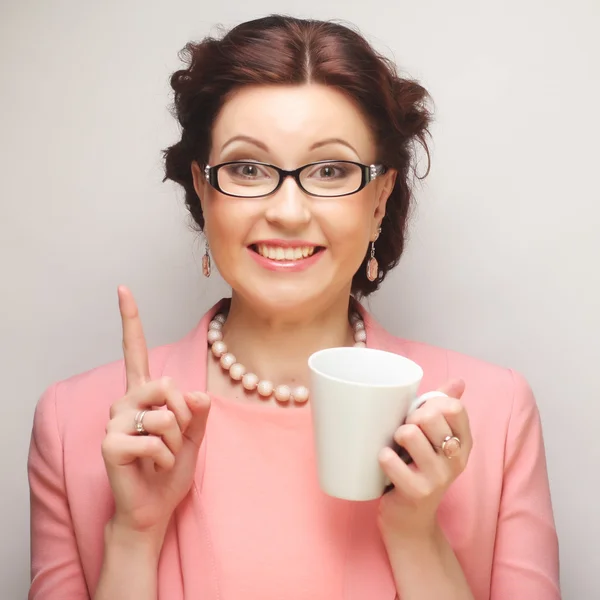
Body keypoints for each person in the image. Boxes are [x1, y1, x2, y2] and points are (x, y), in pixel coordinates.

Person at [28, 14, 560, 600]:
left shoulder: (497, 415)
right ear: (202, 191)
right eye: (248, 168)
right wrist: (135, 534)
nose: (286, 210)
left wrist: (416, 537)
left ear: (381, 198)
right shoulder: (74, 424)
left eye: (330, 170)